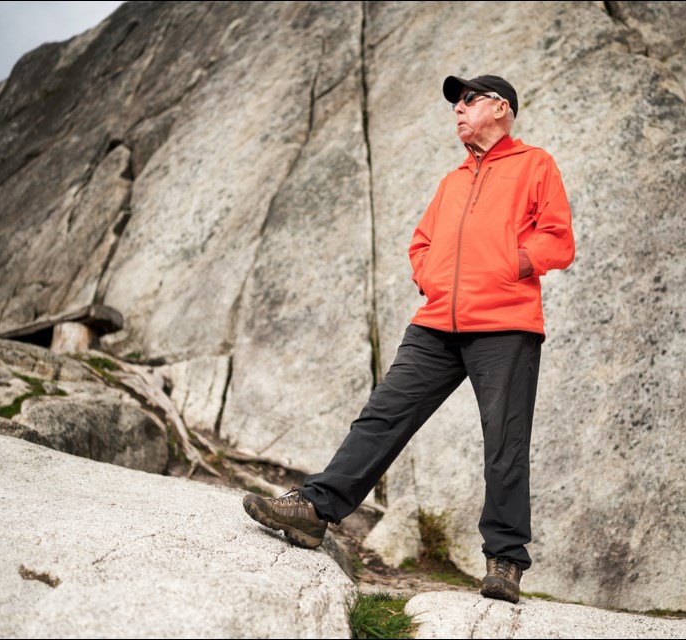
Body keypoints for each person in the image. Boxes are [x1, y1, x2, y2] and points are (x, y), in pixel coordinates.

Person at [244, 74, 575, 604]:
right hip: (437, 321)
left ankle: (505, 562)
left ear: (500, 108)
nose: (458, 111)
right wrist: (431, 277)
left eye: (468, 101)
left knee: (505, 445)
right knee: (382, 415)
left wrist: (511, 264)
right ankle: (314, 511)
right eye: (455, 105)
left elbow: (558, 238)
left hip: (506, 324)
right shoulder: (452, 181)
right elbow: (421, 243)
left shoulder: (535, 165)